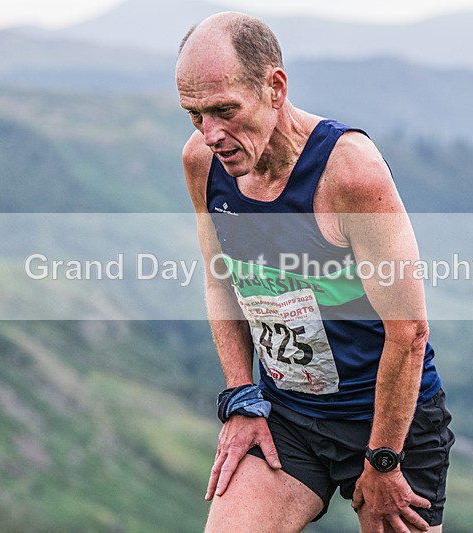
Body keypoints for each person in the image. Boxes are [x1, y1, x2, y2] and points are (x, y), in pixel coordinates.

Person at [176, 12, 453, 533]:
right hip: (286, 415)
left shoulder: (349, 172)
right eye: (195, 115)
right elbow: (220, 279)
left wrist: (384, 459)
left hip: (386, 421)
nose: (211, 134)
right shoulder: (202, 163)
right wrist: (241, 394)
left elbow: (409, 330)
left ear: (275, 88)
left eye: (225, 110)